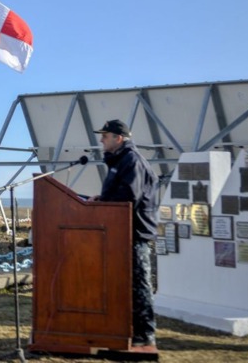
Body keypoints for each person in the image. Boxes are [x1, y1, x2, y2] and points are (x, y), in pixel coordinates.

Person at [93, 120, 159, 348]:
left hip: (134, 233)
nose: (101, 140)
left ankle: (145, 333)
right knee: (125, 284)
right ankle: (125, 328)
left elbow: (128, 197)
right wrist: (101, 200)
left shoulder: (132, 161)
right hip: (122, 232)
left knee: (139, 284)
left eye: (105, 136)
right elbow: (119, 195)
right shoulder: (121, 161)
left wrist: (103, 203)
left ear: (118, 138)